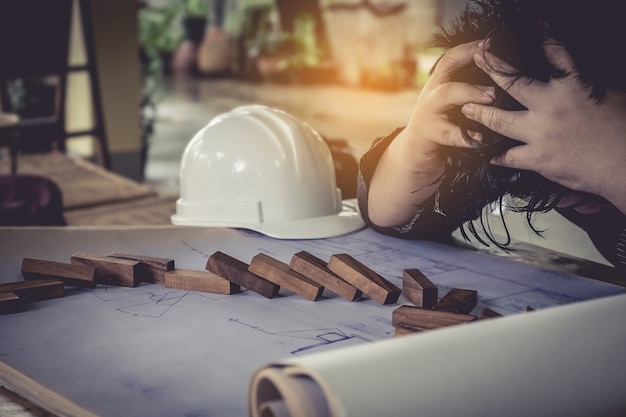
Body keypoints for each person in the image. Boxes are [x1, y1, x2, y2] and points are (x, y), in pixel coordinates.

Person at [357, 0, 626, 271]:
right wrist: (413, 154)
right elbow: (393, 219)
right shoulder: (535, 116)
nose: (563, 198)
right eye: (529, 178)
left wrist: (617, 168)